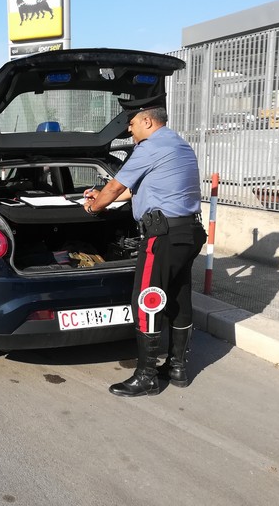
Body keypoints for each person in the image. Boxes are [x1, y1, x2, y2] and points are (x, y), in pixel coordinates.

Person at [83, 93, 207, 397]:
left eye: (133, 122)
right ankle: (176, 368)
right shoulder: (177, 144)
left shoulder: (149, 147)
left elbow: (115, 188)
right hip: (188, 233)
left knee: (147, 300)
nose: (129, 130)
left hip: (162, 236)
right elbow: (136, 190)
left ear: (148, 120)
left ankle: (146, 376)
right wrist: (100, 195)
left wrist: (94, 206)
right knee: (178, 299)